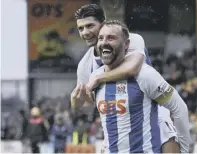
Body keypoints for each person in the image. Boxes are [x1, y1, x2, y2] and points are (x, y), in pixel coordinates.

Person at [71, 4, 187, 152]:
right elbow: (86, 107)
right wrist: (76, 104)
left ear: (103, 24)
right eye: (81, 28)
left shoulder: (131, 40)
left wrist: (98, 78)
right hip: (118, 121)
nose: (85, 32)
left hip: (153, 111)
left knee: (166, 130)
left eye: (89, 26)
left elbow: (132, 68)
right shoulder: (85, 66)